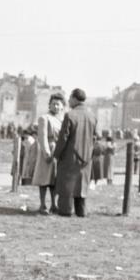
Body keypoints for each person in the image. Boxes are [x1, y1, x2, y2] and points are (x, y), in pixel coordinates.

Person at [52, 88, 96, 217]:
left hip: (70, 157)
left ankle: (65, 211)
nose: (69, 101)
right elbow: (94, 138)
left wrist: (56, 155)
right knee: (81, 186)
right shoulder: (92, 116)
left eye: (70, 98)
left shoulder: (70, 115)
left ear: (75, 99)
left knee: (67, 185)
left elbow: (63, 138)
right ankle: (81, 211)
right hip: (86, 158)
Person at [33, 92, 64, 214]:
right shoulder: (44, 118)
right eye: (53, 104)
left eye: (58, 105)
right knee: (44, 178)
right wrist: (46, 153)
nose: (56, 107)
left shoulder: (62, 120)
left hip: (57, 150)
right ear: (49, 105)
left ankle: (54, 204)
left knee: (54, 179)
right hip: (48, 149)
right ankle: (42, 205)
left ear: (62, 107)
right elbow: (42, 136)